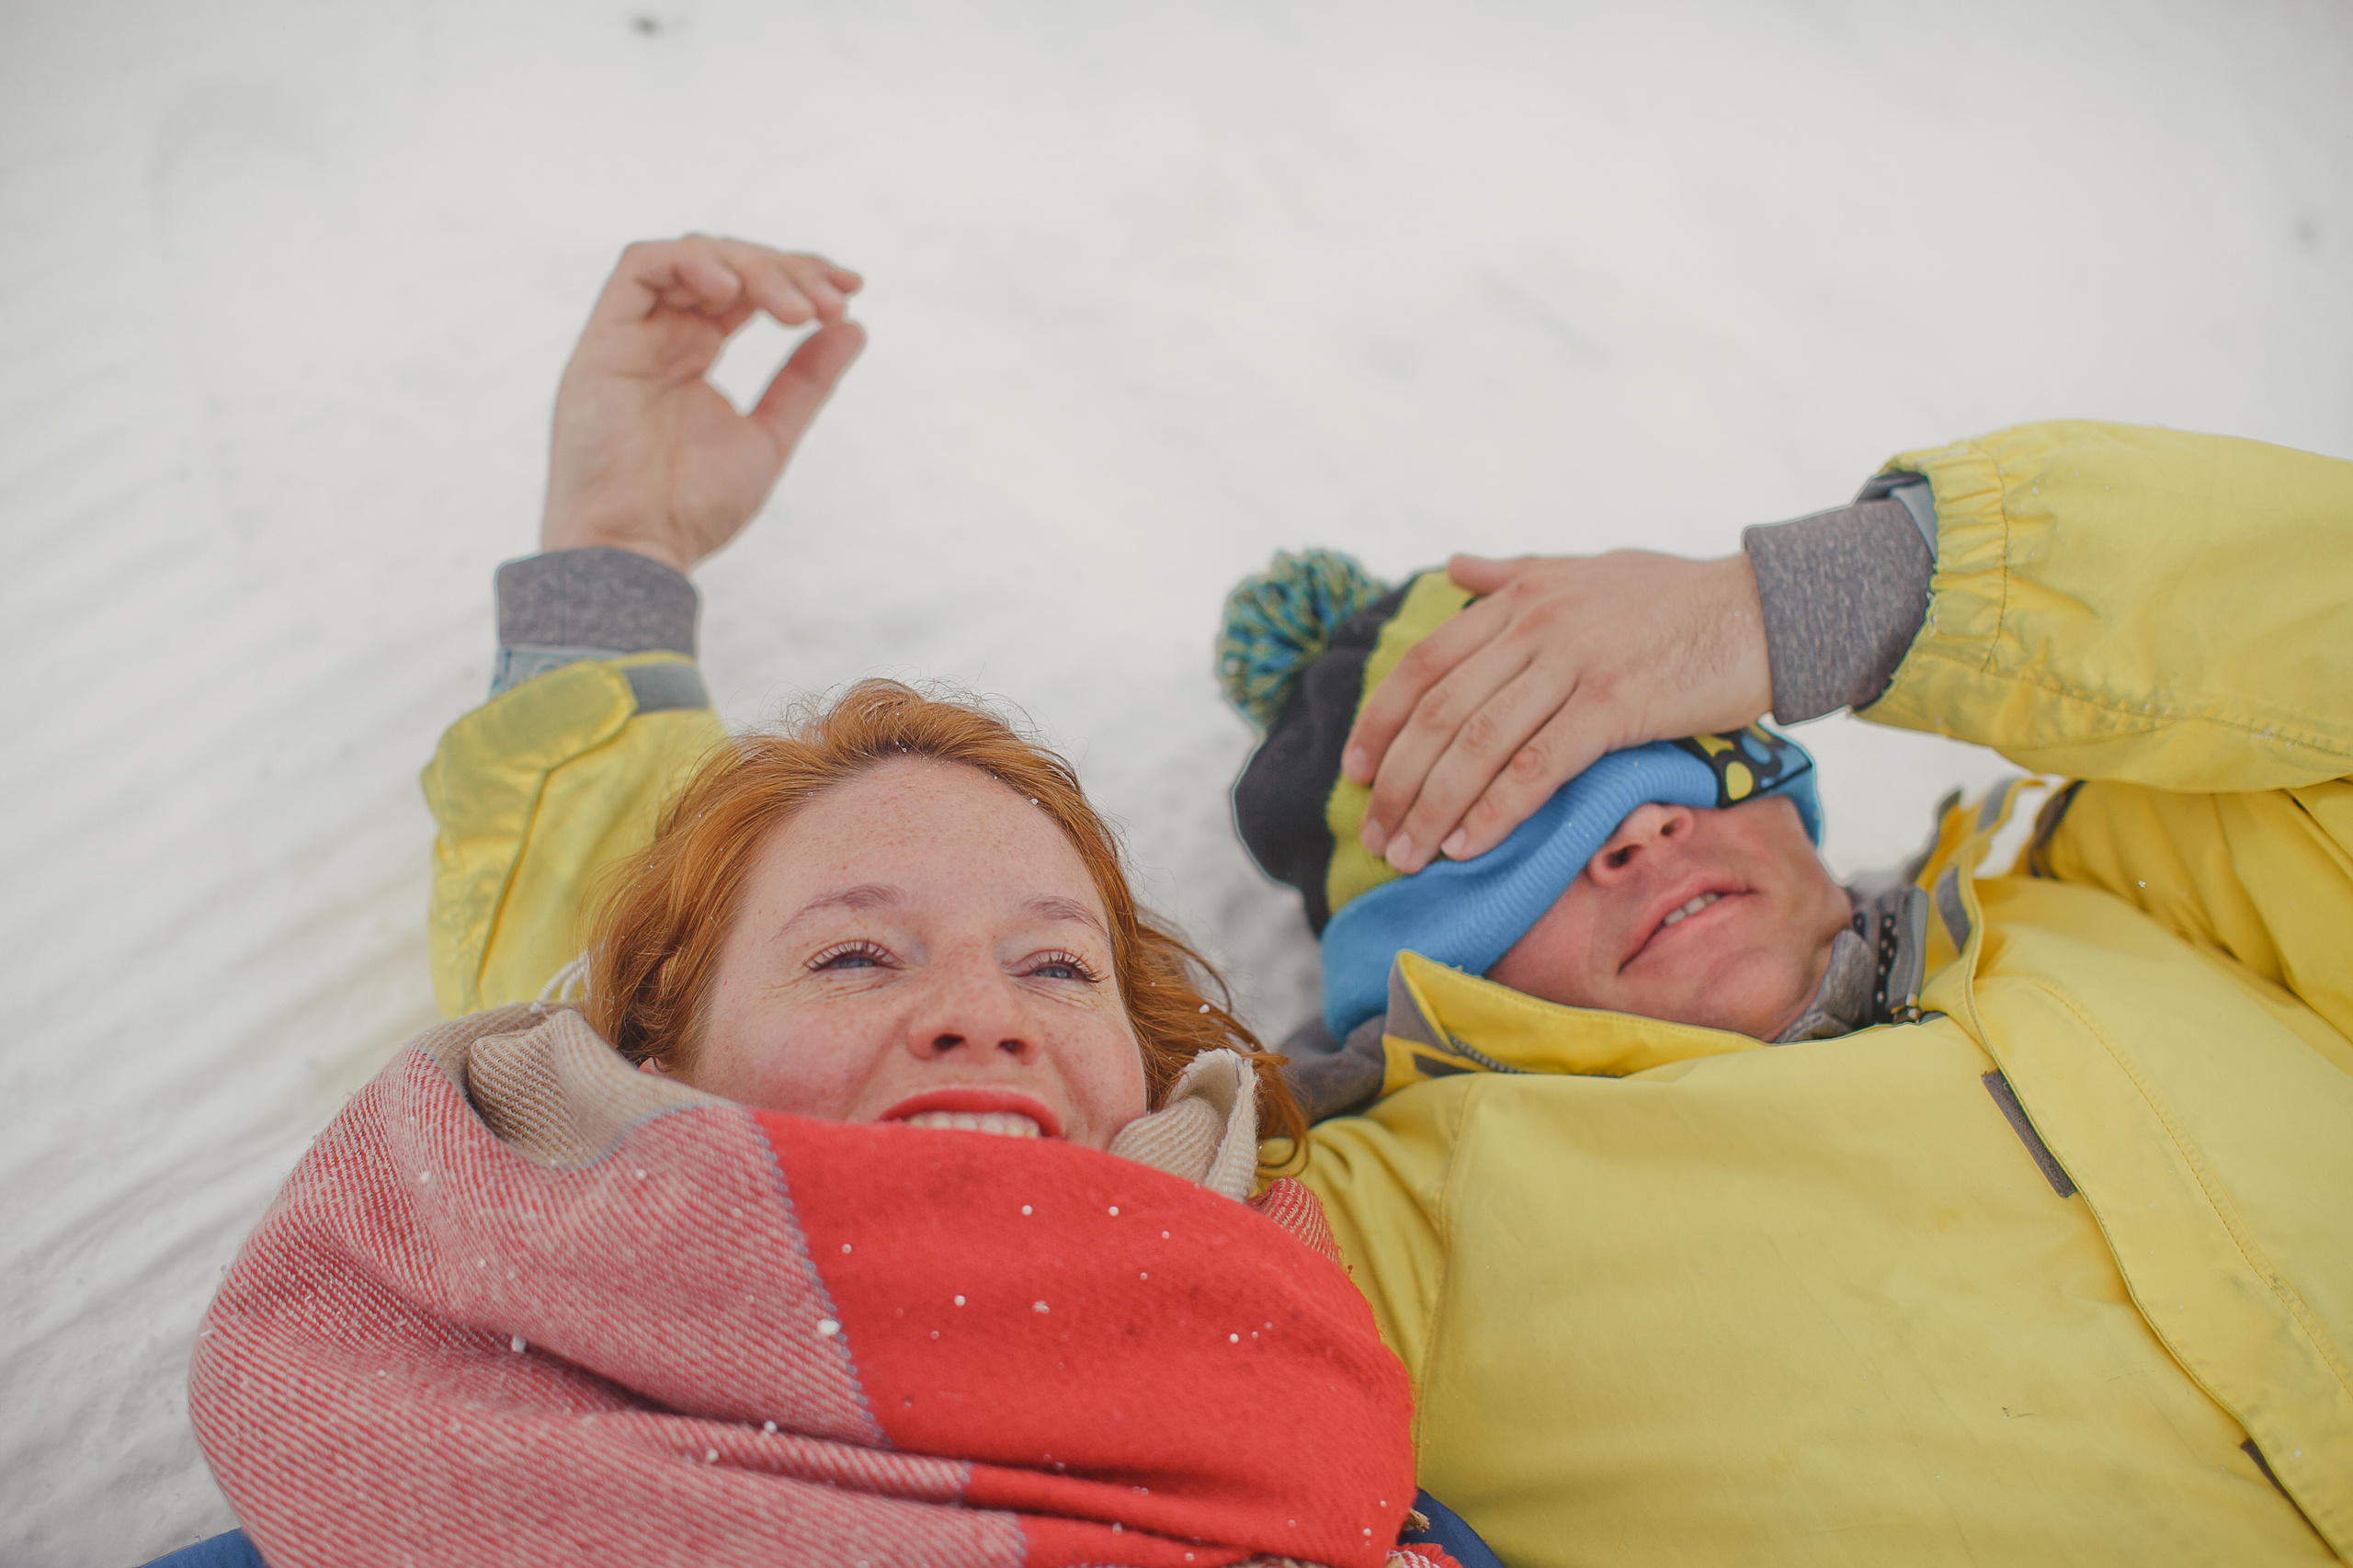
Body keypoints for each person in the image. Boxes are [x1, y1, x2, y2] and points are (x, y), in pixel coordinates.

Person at [387, 234, 2352, 1565]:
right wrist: (611, 557)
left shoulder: (2169, 891)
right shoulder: (1382, 1228)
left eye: (1668, 747)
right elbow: (719, 1116)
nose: (1637, 833)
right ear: (1404, 950)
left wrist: (1811, 597)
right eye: (1495, 813)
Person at [176, 238, 1499, 1568]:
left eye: (1054, 966)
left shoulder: (1349, 1474)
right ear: (643, 1065)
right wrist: (617, 541)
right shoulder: (402, 1491)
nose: (983, 1015)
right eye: (858, 955)